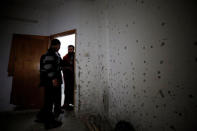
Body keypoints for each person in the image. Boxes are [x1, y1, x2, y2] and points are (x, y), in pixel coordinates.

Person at [35, 39, 63, 129]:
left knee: (48, 100)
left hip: (50, 80)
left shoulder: (55, 53)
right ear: (57, 45)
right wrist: (53, 78)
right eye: (59, 45)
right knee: (49, 102)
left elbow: (57, 65)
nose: (59, 47)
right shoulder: (50, 53)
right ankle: (49, 123)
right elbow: (48, 66)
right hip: (50, 81)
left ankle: (41, 117)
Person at [62, 45, 75, 111]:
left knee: (73, 91)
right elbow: (62, 67)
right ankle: (66, 104)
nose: (70, 50)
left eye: (71, 49)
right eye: (69, 49)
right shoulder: (65, 57)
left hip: (74, 77)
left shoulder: (76, 56)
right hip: (67, 77)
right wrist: (68, 68)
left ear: (73, 50)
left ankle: (74, 104)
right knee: (66, 91)